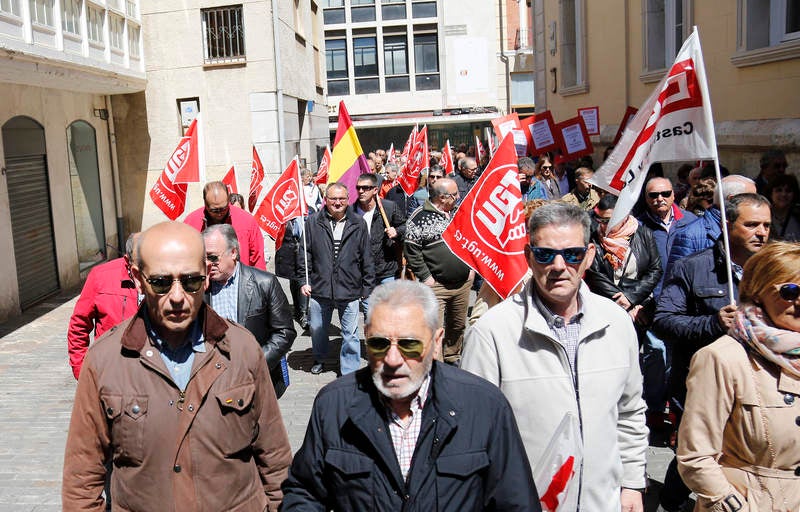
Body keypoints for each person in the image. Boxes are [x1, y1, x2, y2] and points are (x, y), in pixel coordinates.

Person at [62, 222, 292, 511]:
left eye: (190, 281)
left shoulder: (243, 350)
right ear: (138, 278)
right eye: (160, 282)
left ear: (207, 276)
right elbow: (82, 479)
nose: (177, 297)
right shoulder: (105, 360)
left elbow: (276, 460)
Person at [281, 280, 542, 511]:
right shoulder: (334, 405)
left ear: (437, 341)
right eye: (379, 344)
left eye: (410, 344)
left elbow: (515, 501)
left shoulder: (485, 406)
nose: (393, 360)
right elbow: (304, 492)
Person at [462, 202, 648, 512]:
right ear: (529, 257)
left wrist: (631, 483)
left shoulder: (616, 323)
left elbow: (629, 413)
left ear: (589, 256)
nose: (559, 265)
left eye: (572, 254)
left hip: (604, 502)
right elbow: (473, 433)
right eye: (546, 254)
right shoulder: (492, 332)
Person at [653, 193, 771, 512]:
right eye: (752, 225)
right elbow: (664, 319)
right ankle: (672, 502)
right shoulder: (692, 268)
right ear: (728, 225)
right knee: (699, 451)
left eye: (766, 225)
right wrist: (713, 322)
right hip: (706, 384)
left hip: (762, 385)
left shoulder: (777, 271)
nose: (761, 232)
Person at [677, 241, 800, 511]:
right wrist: (732, 505)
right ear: (758, 292)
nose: (799, 301)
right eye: (790, 291)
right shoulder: (722, 358)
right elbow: (695, 458)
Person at [203, 224, 296, 398]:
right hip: (213, 383)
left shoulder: (264, 283)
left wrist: (254, 364)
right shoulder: (198, 288)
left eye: (213, 257)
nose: (208, 264)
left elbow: (285, 332)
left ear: (233, 252)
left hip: (255, 381)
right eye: (203, 258)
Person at [299, 182, 375, 376]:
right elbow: (304, 254)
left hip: (348, 288)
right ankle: (320, 358)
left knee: (350, 334)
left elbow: (366, 256)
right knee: (317, 330)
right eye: (333, 199)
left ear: (348, 200)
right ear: (326, 200)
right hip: (320, 287)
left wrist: (367, 288)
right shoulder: (313, 222)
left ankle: (349, 369)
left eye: (342, 199)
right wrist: (303, 280)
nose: (338, 203)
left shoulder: (358, 223)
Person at [405, 178, 474, 365]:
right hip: (437, 285)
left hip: (463, 282)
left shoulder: (458, 212)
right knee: (435, 327)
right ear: (442, 198)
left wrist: (471, 268)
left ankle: (452, 357)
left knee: (458, 325)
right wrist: (426, 277)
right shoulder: (420, 216)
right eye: (454, 194)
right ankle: (436, 363)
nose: (458, 197)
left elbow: (470, 240)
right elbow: (411, 249)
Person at [67, 233, 140, 380]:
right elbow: (78, 325)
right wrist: (82, 371)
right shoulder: (101, 277)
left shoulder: (165, 277)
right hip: (111, 372)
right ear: (127, 260)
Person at [667, 175, 757, 269]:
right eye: (751, 198)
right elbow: (677, 276)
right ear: (731, 199)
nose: (757, 203)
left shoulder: (757, 230)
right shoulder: (689, 235)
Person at [637, 177, 697, 298]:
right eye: (653, 195)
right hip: (655, 297)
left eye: (665, 194)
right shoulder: (638, 226)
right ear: (646, 198)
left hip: (689, 293)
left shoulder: (691, 221)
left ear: (673, 195)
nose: (659, 199)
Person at [184, 181, 266, 270]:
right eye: (214, 210)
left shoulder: (247, 221)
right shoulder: (191, 223)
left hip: (240, 280)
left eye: (224, 208)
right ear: (205, 204)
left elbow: (258, 258)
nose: (220, 214)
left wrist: (259, 282)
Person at [354, 173, 405, 288]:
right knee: (368, 306)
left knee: (388, 305)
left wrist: (396, 232)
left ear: (375, 190)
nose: (361, 191)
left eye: (365, 188)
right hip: (361, 272)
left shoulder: (388, 208)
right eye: (358, 188)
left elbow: (405, 227)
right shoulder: (351, 211)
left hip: (386, 271)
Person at [274, 217, 309, 329]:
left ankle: (304, 313)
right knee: (293, 280)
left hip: (304, 251)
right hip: (289, 251)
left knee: (303, 280)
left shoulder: (309, 212)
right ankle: (297, 308)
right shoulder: (284, 216)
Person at [766, 173, 800, 241]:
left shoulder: (798, 216)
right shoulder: (763, 215)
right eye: (779, 190)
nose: (784, 194)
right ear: (771, 193)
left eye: (788, 191)